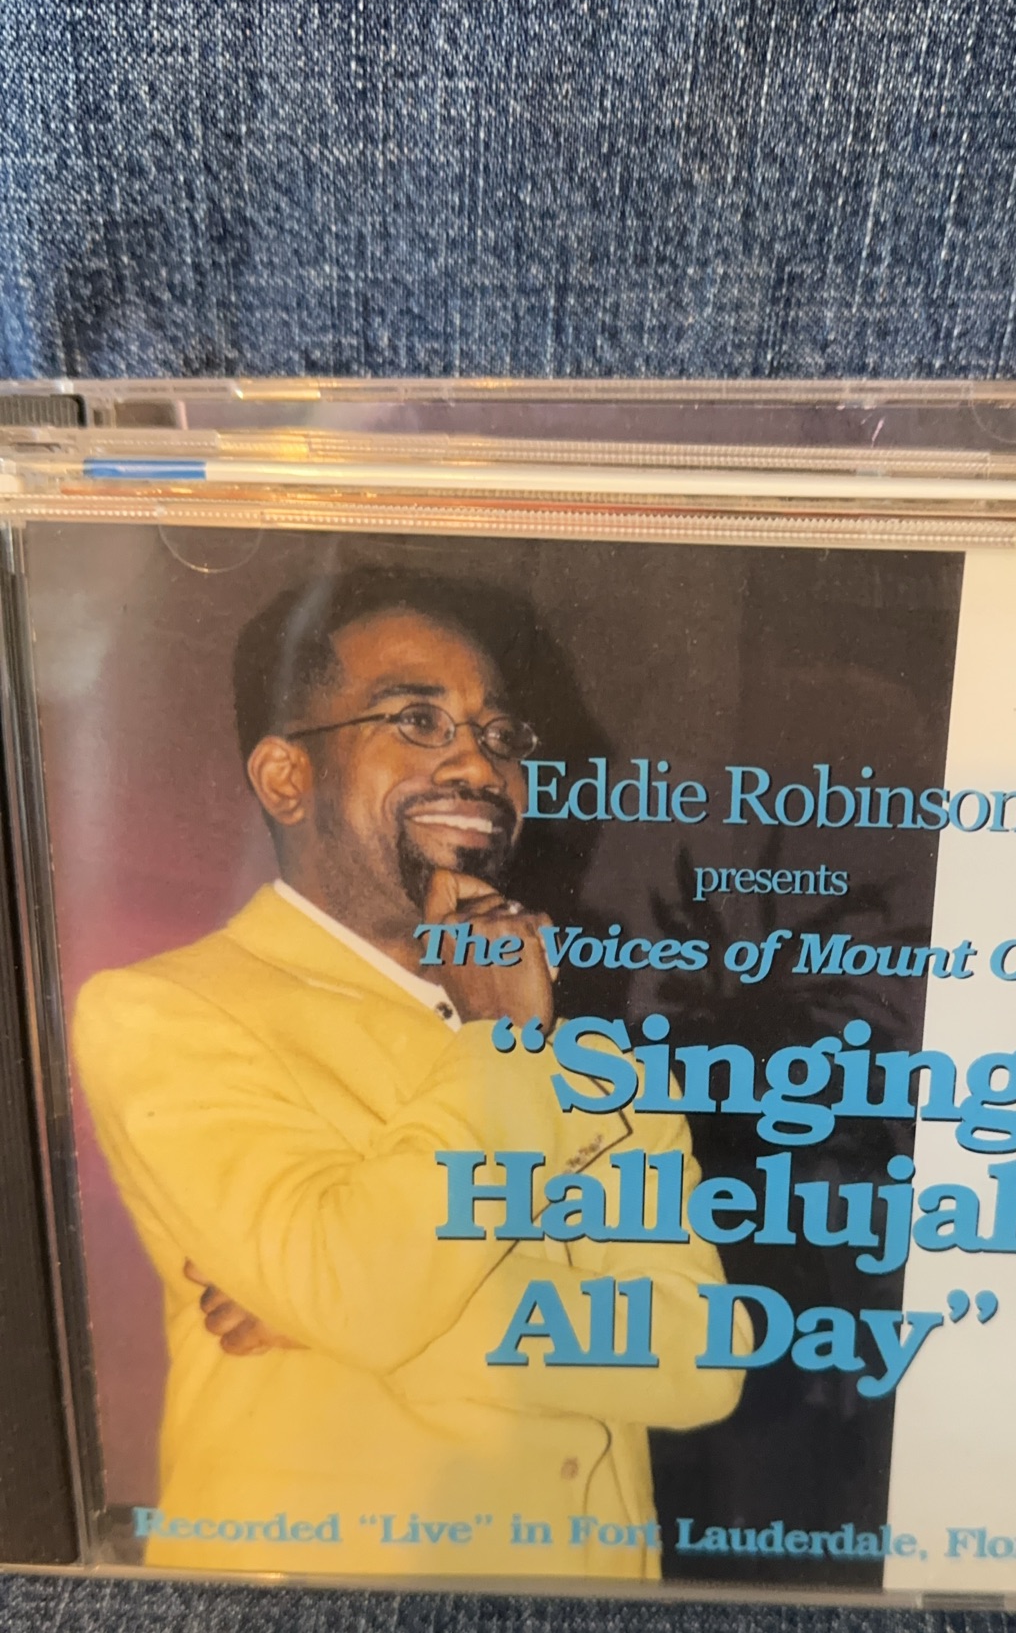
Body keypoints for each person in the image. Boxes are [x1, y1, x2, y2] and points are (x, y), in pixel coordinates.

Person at [73, 567, 744, 1578]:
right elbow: (360, 1293)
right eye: (418, 721)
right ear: (286, 778)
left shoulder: (592, 1056)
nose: (479, 761)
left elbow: (701, 1360)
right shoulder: (168, 1008)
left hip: (593, 1621)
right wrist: (498, 1043)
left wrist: (351, 1316)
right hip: (318, 1628)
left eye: (500, 734)